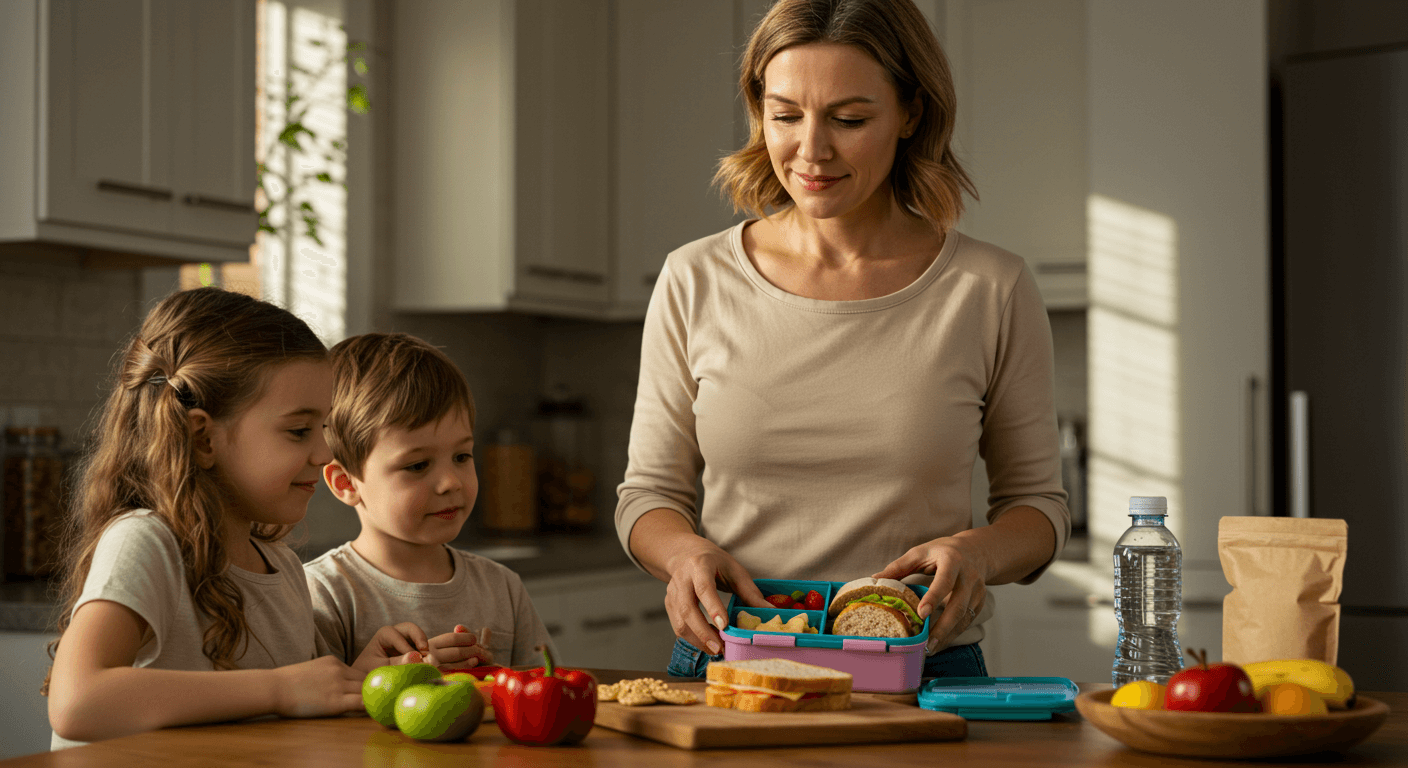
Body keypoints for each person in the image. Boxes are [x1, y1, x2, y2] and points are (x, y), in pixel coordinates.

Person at [616, 0, 1070, 679]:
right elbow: (647, 495)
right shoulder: (694, 278)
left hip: (921, 672)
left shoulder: (989, 288)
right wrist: (683, 554)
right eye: (785, 115)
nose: (812, 150)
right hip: (731, 665)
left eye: (849, 120)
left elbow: (1038, 508)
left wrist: (977, 553)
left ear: (910, 113)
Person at [44, 288, 428, 750]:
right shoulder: (146, 542)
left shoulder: (282, 567)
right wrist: (281, 689)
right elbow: (78, 703)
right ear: (203, 438)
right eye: (299, 431)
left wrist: (355, 680)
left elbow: (275, 714)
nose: (325, 452)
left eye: (324, 428)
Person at [308, 332, 557, 669]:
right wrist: (396, 675)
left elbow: (545, 688)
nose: (451, 482)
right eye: (418, 465)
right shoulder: (324, 594)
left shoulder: (502, 588)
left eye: (461, 456)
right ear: (346, 483)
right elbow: (319, 700)